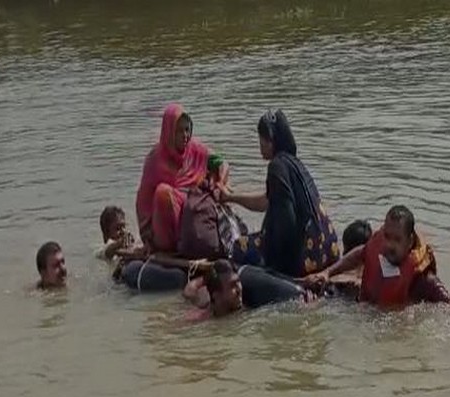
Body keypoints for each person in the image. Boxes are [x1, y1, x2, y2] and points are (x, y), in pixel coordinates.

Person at [305, 206, 450, 330]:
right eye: (387, 236)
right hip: (363, 314)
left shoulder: (422, 279)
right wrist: (327, 272)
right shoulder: (376, 248)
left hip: (393, 330)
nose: (390, 244)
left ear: (409, 242)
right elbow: (360, 253)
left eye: (397, 239)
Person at [220, 109, 339, 277]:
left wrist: (276, 266)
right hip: (327, 249)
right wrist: (230, 197)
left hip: (306, 257)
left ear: (270, 141)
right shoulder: (293, 163)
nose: (260, 144)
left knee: (238, 247)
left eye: (261, 139)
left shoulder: (276, 167)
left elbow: (287, 221)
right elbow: (266, 202)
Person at [136, 103, 228, 253]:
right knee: (163, 193)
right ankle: (169, 245)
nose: (185, 135)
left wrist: (219, 182)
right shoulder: (154, 160)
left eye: (187, 129)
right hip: (164, 227)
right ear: (168, 132)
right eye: (179, 131)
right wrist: (147, 239)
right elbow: (143, 204)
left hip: (192, 221)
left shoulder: (196, 150)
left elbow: (221, 162)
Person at [184, 259, 314, 320]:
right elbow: (190, 290)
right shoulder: (199, 318)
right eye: (232, 286)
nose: (239, 289)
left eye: (238, 283)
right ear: (216, 295)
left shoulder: (246, 308)